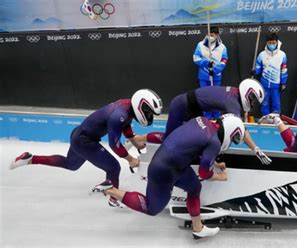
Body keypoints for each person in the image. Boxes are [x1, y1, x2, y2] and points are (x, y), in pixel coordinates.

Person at [93, 114, 245, 239]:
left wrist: (215, 164)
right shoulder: (214, 142)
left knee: (194, 188)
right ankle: (112, 189)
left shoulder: (201, 120)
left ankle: (198, 228)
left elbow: (194, 146)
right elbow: (204, 173)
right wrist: (220, 177)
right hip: (164, 171)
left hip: (173, 163)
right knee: (151, 208)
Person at [10, 89, 163, 207]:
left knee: (71, 164)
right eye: (148, 112)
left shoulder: (127, 106)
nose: (149, 116)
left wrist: (134, 142)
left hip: (80, 135)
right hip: (84, 141)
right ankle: (113, 198)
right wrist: (130, 159)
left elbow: (126, 125)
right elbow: (114, 143)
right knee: (113, 168)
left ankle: (30, 158)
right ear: (140, 105)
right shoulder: (119, 115)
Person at [131, 79, 272, 165]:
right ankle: (140, 139)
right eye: (253, 99)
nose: (252, 104)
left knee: (195, 139)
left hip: (192, 107)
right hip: (182, 106)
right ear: (247, 93)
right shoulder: (233, 102)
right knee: (170, 139)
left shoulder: (234, 94)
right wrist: (255, 148)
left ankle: (200, 159)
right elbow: (240, 129)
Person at [193, 26, 228, 119]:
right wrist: (205, 63)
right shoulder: (200, 45)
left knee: (215, 97)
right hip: (203, 76)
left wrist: (216, 69)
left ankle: (216, 117)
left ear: (217, 35)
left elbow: (224, 60)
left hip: (216, 76)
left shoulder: (222, 47)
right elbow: (195, 58)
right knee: (205, 97)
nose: (210, 37)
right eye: (209, 35)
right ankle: (207, 117)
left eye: (212, 35)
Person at [252, 33, 288, 116]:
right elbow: (258, 67)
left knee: (276, 103)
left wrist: (283, 83)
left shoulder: (282, 55)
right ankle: (265, 118)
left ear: (277, 42)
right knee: (264, 103)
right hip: (264, 84)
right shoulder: (262, 54)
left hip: (276, 84)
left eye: (273, 43)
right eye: (269, 43)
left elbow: (284, 70)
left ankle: (276, 119)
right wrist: (255, 71)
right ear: (266, 43)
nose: (271, 45)